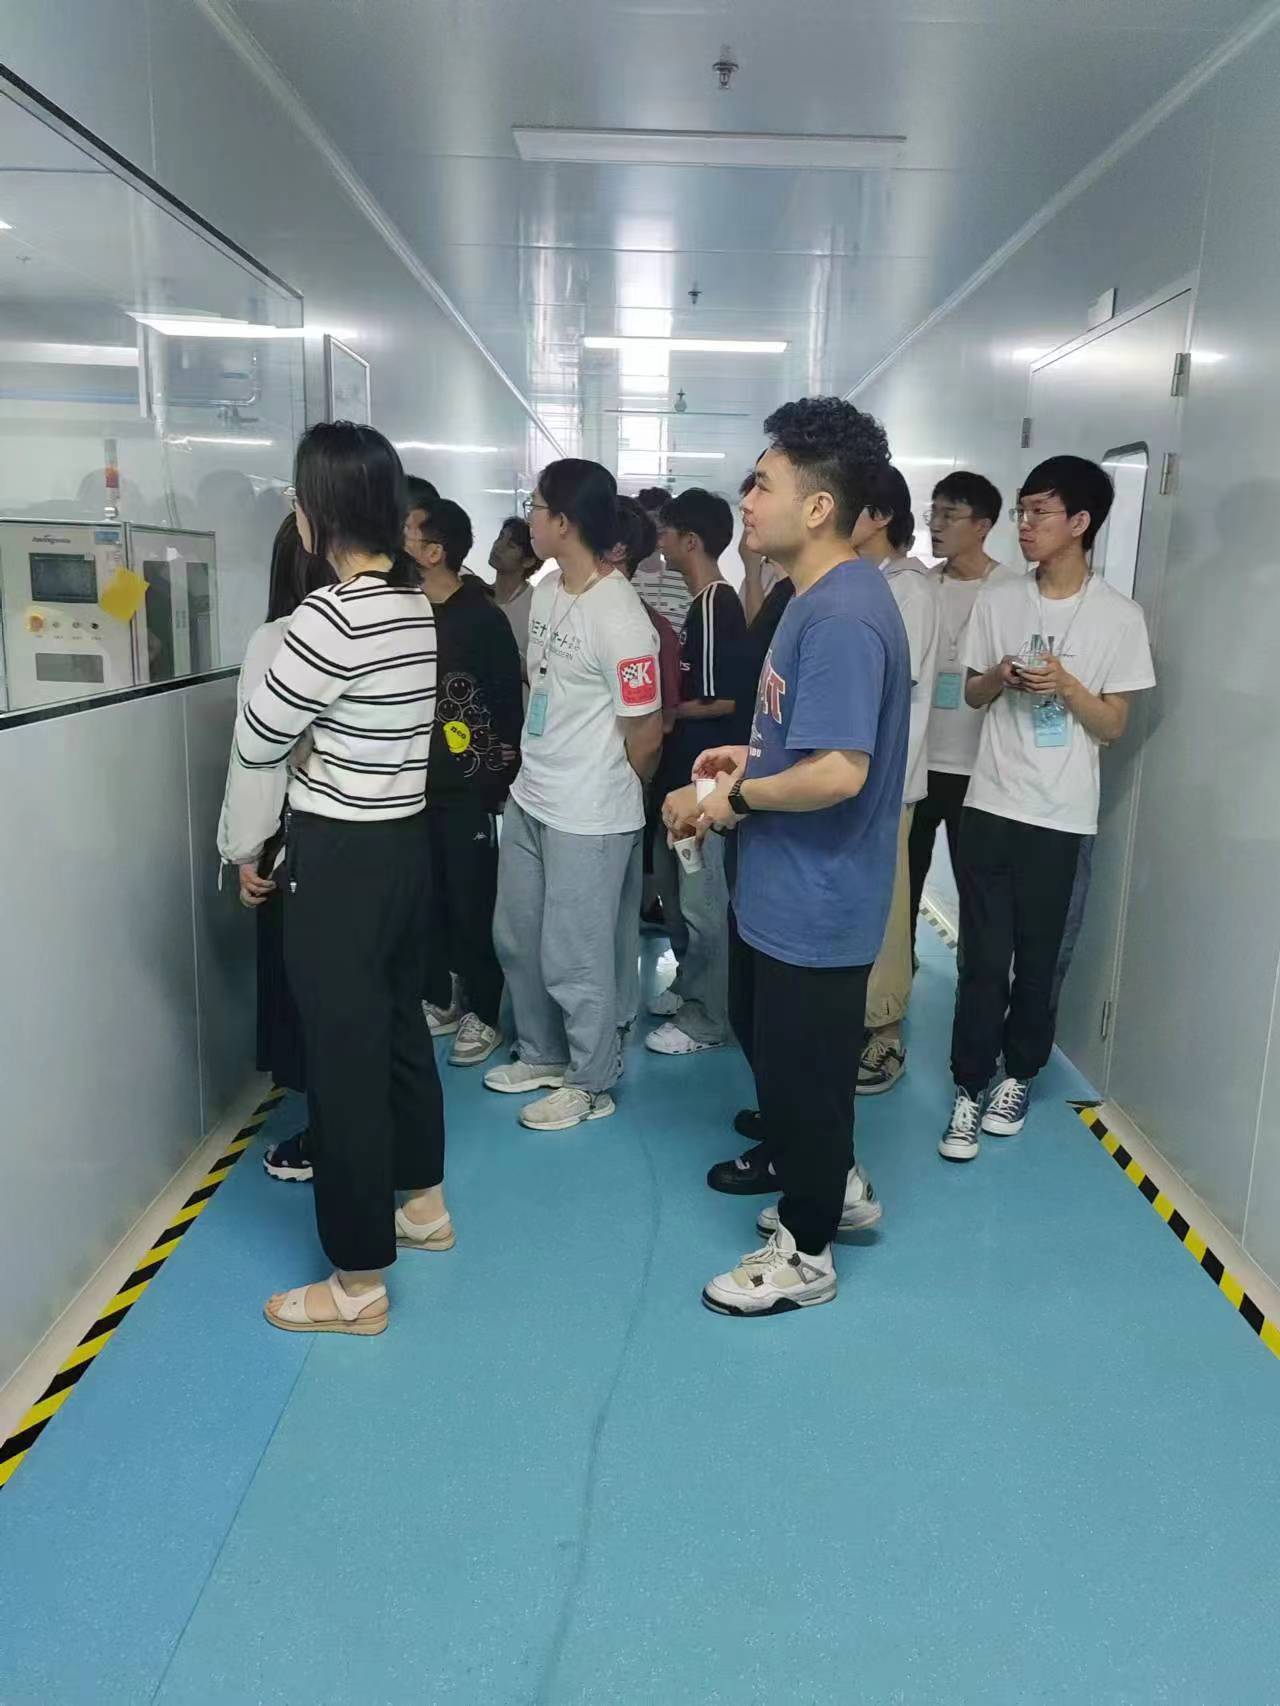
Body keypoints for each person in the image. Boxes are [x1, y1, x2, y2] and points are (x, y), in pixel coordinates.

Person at [664, 396, 910, 1318]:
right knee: (785, 1061)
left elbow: (841, 771)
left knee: (804, 1078)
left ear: (817, 506)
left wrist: (730, 800)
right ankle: (832, 1183)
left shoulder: (842, 614)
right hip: (783, 890)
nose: (747, 499)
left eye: (763, 483)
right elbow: (806, 742)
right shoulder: (816, 600)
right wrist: (752, 756)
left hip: (817, 900)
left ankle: (806, 1252)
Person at [224, 421, 448, 1336]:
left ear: (319, 509)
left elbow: (257, 737)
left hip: (341, 861)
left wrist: (308, 741)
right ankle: (423, 1204)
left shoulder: (328, 615)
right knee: (398, 1030)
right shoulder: (412, 603)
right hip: (403, 849)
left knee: (343, 1064)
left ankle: (356, 1284)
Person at [940, 455, 1155, 1162]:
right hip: (990, 803)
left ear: (1081, 522)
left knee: (1038, 961)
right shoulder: (1000, 599)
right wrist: (1002, 676)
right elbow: (971, 693)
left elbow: (1113, 725)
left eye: (1040, 512)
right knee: (982, 960)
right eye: (1022, 512)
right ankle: (969, 1084)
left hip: (1061, 816)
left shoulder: (1119, 617)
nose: (1025, 525)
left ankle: (1019, 1075)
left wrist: (1065, 685)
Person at [488, 460, 663, 1130]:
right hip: (532, 793)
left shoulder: (622, 617)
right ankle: (542, 1051)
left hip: (589, 811)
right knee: (518, 935)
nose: (527, 518)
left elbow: (645, 732)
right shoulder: (549, 590)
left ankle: (592, 1080)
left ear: (563, 521)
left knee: (577, 954)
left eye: (534, 507)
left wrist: (617, 789)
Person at [218, 512, 334, 1183]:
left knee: (312, 1003)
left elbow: (259, 757)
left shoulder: (279, 640)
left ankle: (326, 1139)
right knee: (366, 1004)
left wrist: (245, 850)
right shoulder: (402, 623)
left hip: (305, 847)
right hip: (389, 845)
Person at [405, 497, 523, 1067]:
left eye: (408, 532)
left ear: (435, 552)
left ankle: (486, 1011)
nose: (397, 539)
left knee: (472, 900)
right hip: (409, 785)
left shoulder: (481, 617)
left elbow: (506, 705)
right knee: (428, 898)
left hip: (467, 786)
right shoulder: (403, 611)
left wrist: (499, 778)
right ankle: (445, 995)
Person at [647, 488, 747, 1055]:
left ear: (690, 541)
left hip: (705, 781)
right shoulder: (697, 604)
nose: (658, 542)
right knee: (677, 892)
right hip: (683, 776)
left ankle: (707, 1016)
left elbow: (722, 700)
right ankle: (690, 985)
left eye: (665, 532)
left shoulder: (714, 605)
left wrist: (663, 711)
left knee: (702, 901)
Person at [857, 465, 940, 1094]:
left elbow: (881, 680)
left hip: (887, 785)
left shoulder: (907, 589)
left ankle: (885, 1037)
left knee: (886, 917)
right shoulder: (869, 582)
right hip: (857, 782)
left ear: (881, 516)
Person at [907, 471, 1013, 947]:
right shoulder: (922, 586)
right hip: (919, 762)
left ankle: (976, 976)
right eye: (934, 512)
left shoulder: (1011, 591)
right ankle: (898, 973)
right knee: (905, 882)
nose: (936, 524)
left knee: (978, 892)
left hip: (979, 769)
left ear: (983, 525)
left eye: (950, 515)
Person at [629, 485, 693, 626]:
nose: (655, 529)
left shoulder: (685, 580)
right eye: (649, 522)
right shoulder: (622, 577)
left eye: (662, 525)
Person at [488, 514, 540, 667]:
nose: (498, 546)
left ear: (528, 561)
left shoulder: (536, 604)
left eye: (510, 545)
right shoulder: (480, 595)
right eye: (500, 537)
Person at [737, 471, 787, 623]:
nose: (745, 508)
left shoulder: (795, 573)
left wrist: (751, 571)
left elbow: (760, 628)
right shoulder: (761, 569)